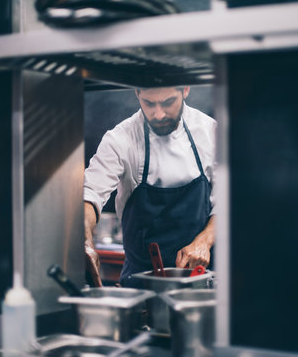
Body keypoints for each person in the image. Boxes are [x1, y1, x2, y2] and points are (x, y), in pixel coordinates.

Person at [83, 86, 216, 287]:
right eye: (149, 103)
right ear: (137, 93)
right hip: (140, 287)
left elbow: (228, 200)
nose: (159, 114)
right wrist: (84, 240)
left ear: (186, 90)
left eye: (168, 102)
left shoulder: (209, 132)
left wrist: (204, 241)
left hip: (199, 283)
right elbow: (90, 192)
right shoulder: (120, 139)